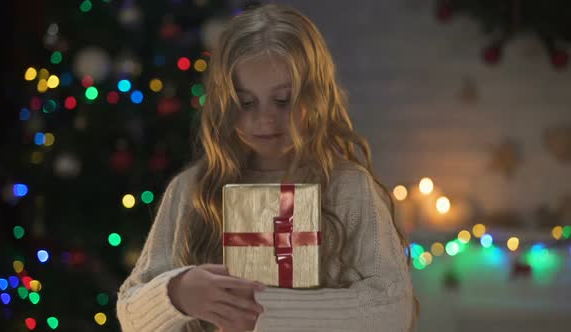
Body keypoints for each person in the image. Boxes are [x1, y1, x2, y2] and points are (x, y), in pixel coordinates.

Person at [116, 2, 419, 332]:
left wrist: (259, 309)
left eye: (283, 100)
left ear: (315, 95)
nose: (265, 119)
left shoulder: (348, 190)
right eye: (246, 103)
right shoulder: (191, 191)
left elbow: (392, 309)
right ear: (224, 102)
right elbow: (131, 312)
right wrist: (175, 294)